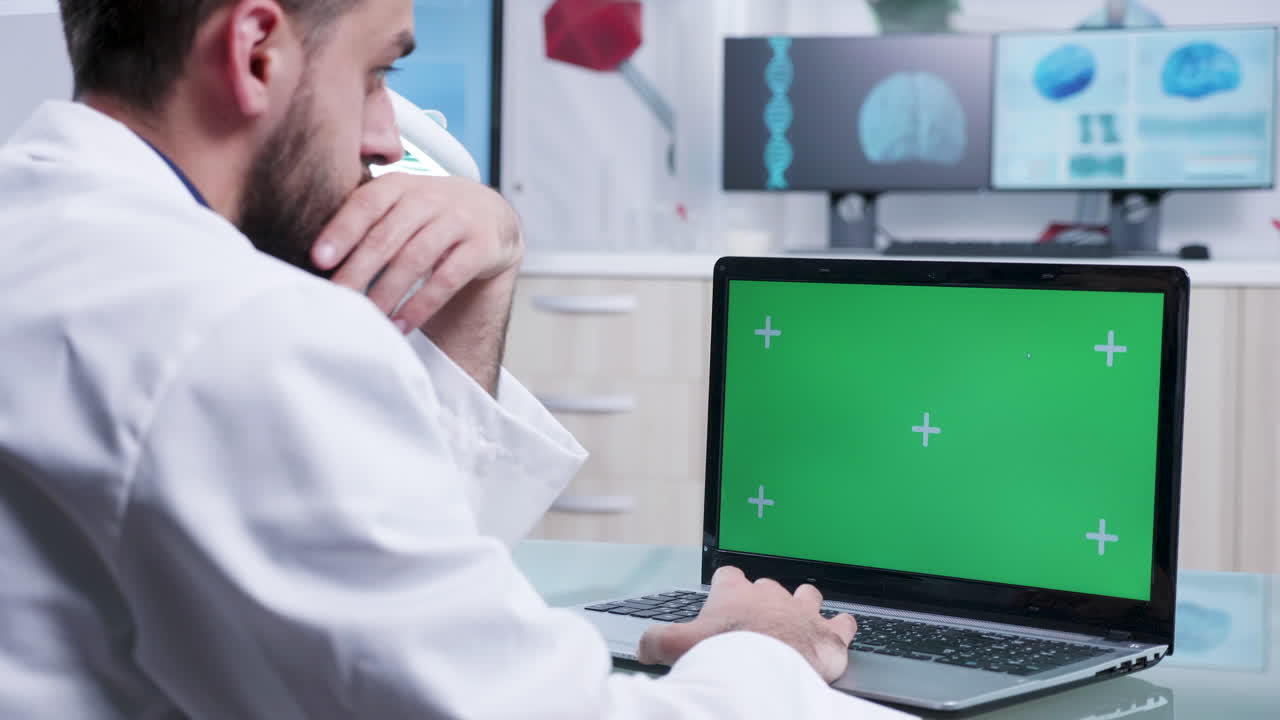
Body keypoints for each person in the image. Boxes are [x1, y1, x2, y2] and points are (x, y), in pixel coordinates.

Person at [0, 1, 904, 717]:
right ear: (256, 52)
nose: (389, 139)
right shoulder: (233, 327)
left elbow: (387, 586)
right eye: (377, 71)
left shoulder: (42, 227)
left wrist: (482, 281)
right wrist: (762, 651)